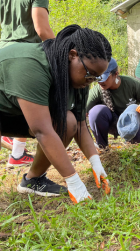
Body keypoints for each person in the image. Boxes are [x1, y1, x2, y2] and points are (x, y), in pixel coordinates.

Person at [0, 24, 112, 204]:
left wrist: (96, 162)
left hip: (15, 113)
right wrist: (73, 181)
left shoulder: (79, 78)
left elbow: (80, 125)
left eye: (96, 77)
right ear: (72, 55)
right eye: (90, 74)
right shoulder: (32, 65)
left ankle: (33, 181)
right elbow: (42, 131)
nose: (91, 81)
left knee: (67, 122)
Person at [0, 0, 55, 167]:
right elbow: (42, 29)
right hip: (27, 56)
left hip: (4, 52)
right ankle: (37, 173)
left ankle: (17, 153)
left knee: (13, 106)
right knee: (40, 110)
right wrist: (61, 54)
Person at [87, 58, 140, 148]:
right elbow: (81, 115)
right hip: (113, 124)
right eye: (98, 77)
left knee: (134, 110)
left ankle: (133, 147)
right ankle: (103, 147)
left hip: (134, 124)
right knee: (96, 111)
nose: (100, 82)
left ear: (116, 74)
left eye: (104, 78)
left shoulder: (133, 84)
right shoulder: (97, 90)